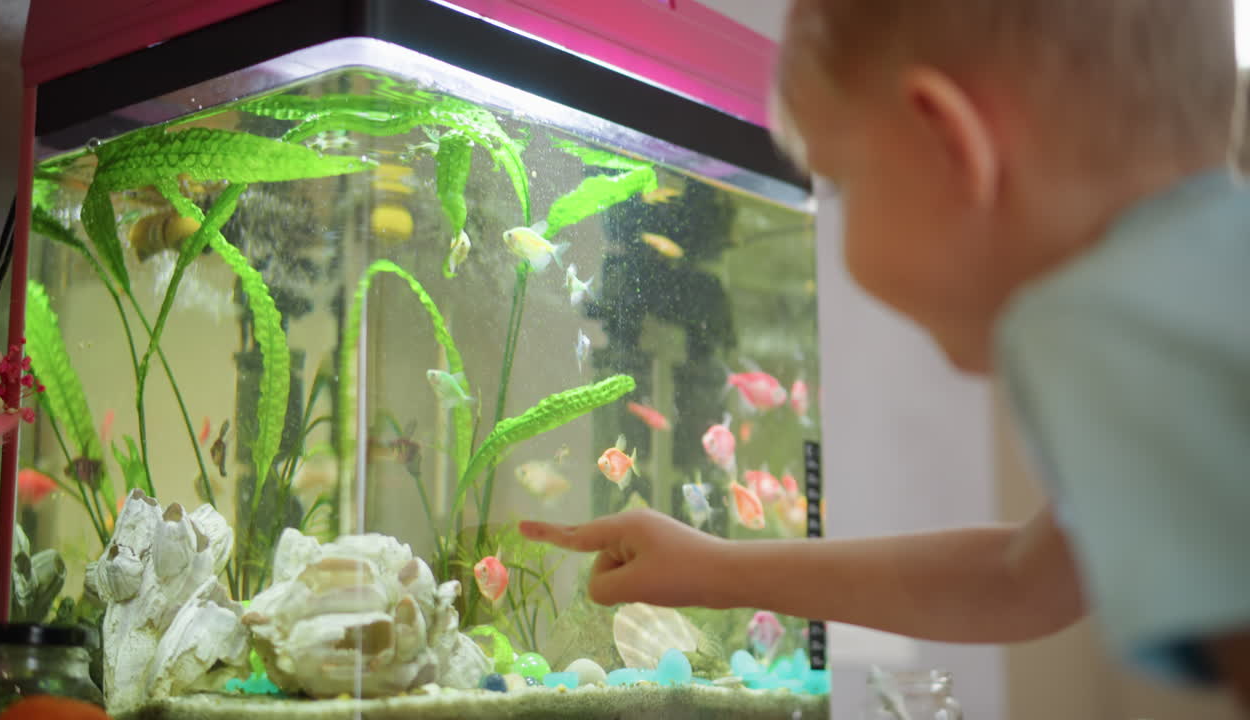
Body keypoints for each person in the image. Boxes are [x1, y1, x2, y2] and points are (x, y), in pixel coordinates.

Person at [521, 0, 1250, 709]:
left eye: (838, 184)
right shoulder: (1194, 290)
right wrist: (714, 568)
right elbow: (1019, 579)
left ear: (948, 143)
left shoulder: (1122, 331)